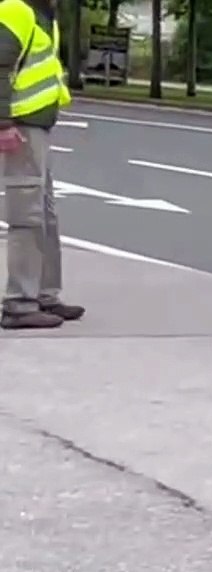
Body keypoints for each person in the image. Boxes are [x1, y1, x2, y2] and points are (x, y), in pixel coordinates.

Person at [0, 0, 80, 329]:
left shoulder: (44, 15)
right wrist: (3, 124)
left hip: (37, 126)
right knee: (27, 215)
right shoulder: (16, 10)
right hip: (20, 127)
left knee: (45, 214)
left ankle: (44, 295)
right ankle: (19, 303)